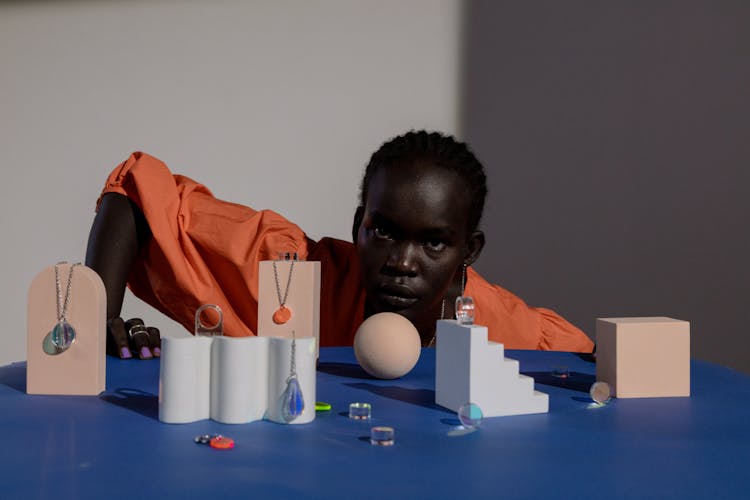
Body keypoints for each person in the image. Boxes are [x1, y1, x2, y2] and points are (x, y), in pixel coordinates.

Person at [85, 130, 594, 359]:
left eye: (434, 243)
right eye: (384, 232)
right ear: (358, 226)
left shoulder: (503, 328)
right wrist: (99, 317)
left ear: (469, 252)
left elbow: (597, 370)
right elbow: (138, 190)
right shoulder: (295, 274)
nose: (401, 262)